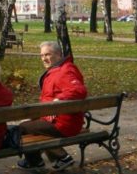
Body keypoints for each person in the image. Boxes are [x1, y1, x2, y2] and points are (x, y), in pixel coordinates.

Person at [17, 41, 88, 172]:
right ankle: (45, 160)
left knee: (22, 127)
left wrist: (59, 99)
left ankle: (54, 158)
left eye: (48, 54)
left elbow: (79, 90)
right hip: (59, 120)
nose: (44, 58)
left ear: (59, 54)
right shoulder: (56, 70)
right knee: (31, 124)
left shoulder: (65, 70)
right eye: (42, 55)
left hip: (64, 123)